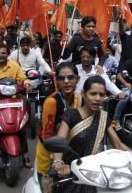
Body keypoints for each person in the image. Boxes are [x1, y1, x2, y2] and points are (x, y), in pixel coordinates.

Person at [51, 75, 132, 193]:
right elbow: (60, 141)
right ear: (84, 94)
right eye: (93, 94)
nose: (97, 98)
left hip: (91, 176)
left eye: (101, 95)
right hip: (69, 174)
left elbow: (118, 145)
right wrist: (59, 164)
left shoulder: (103, 117)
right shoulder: (71, 115)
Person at [35, 62, 82, 191]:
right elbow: (47, 135)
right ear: (57, 81)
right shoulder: (51, 101)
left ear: (78, 79)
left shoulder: (79, 98)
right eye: (61, 78)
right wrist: (56, 159)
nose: (66, 81)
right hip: (49, 153)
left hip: (69, 150)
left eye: (70, 77)